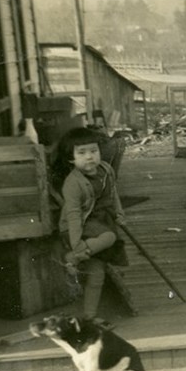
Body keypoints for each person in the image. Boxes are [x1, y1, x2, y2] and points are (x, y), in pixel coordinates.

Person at [52, 126, 128, 320]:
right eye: (82, 153)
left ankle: (89, 317)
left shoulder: (106, 170)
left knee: (97, 273)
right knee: (110, 236)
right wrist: (77, 244)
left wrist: (119, 213)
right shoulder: (73, 183)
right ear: (71, 158)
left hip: (98, 225)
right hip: (77, 228)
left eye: (93, 151)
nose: (89, 157)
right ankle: (73, 256)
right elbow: (73, 215)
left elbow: (113, 194)